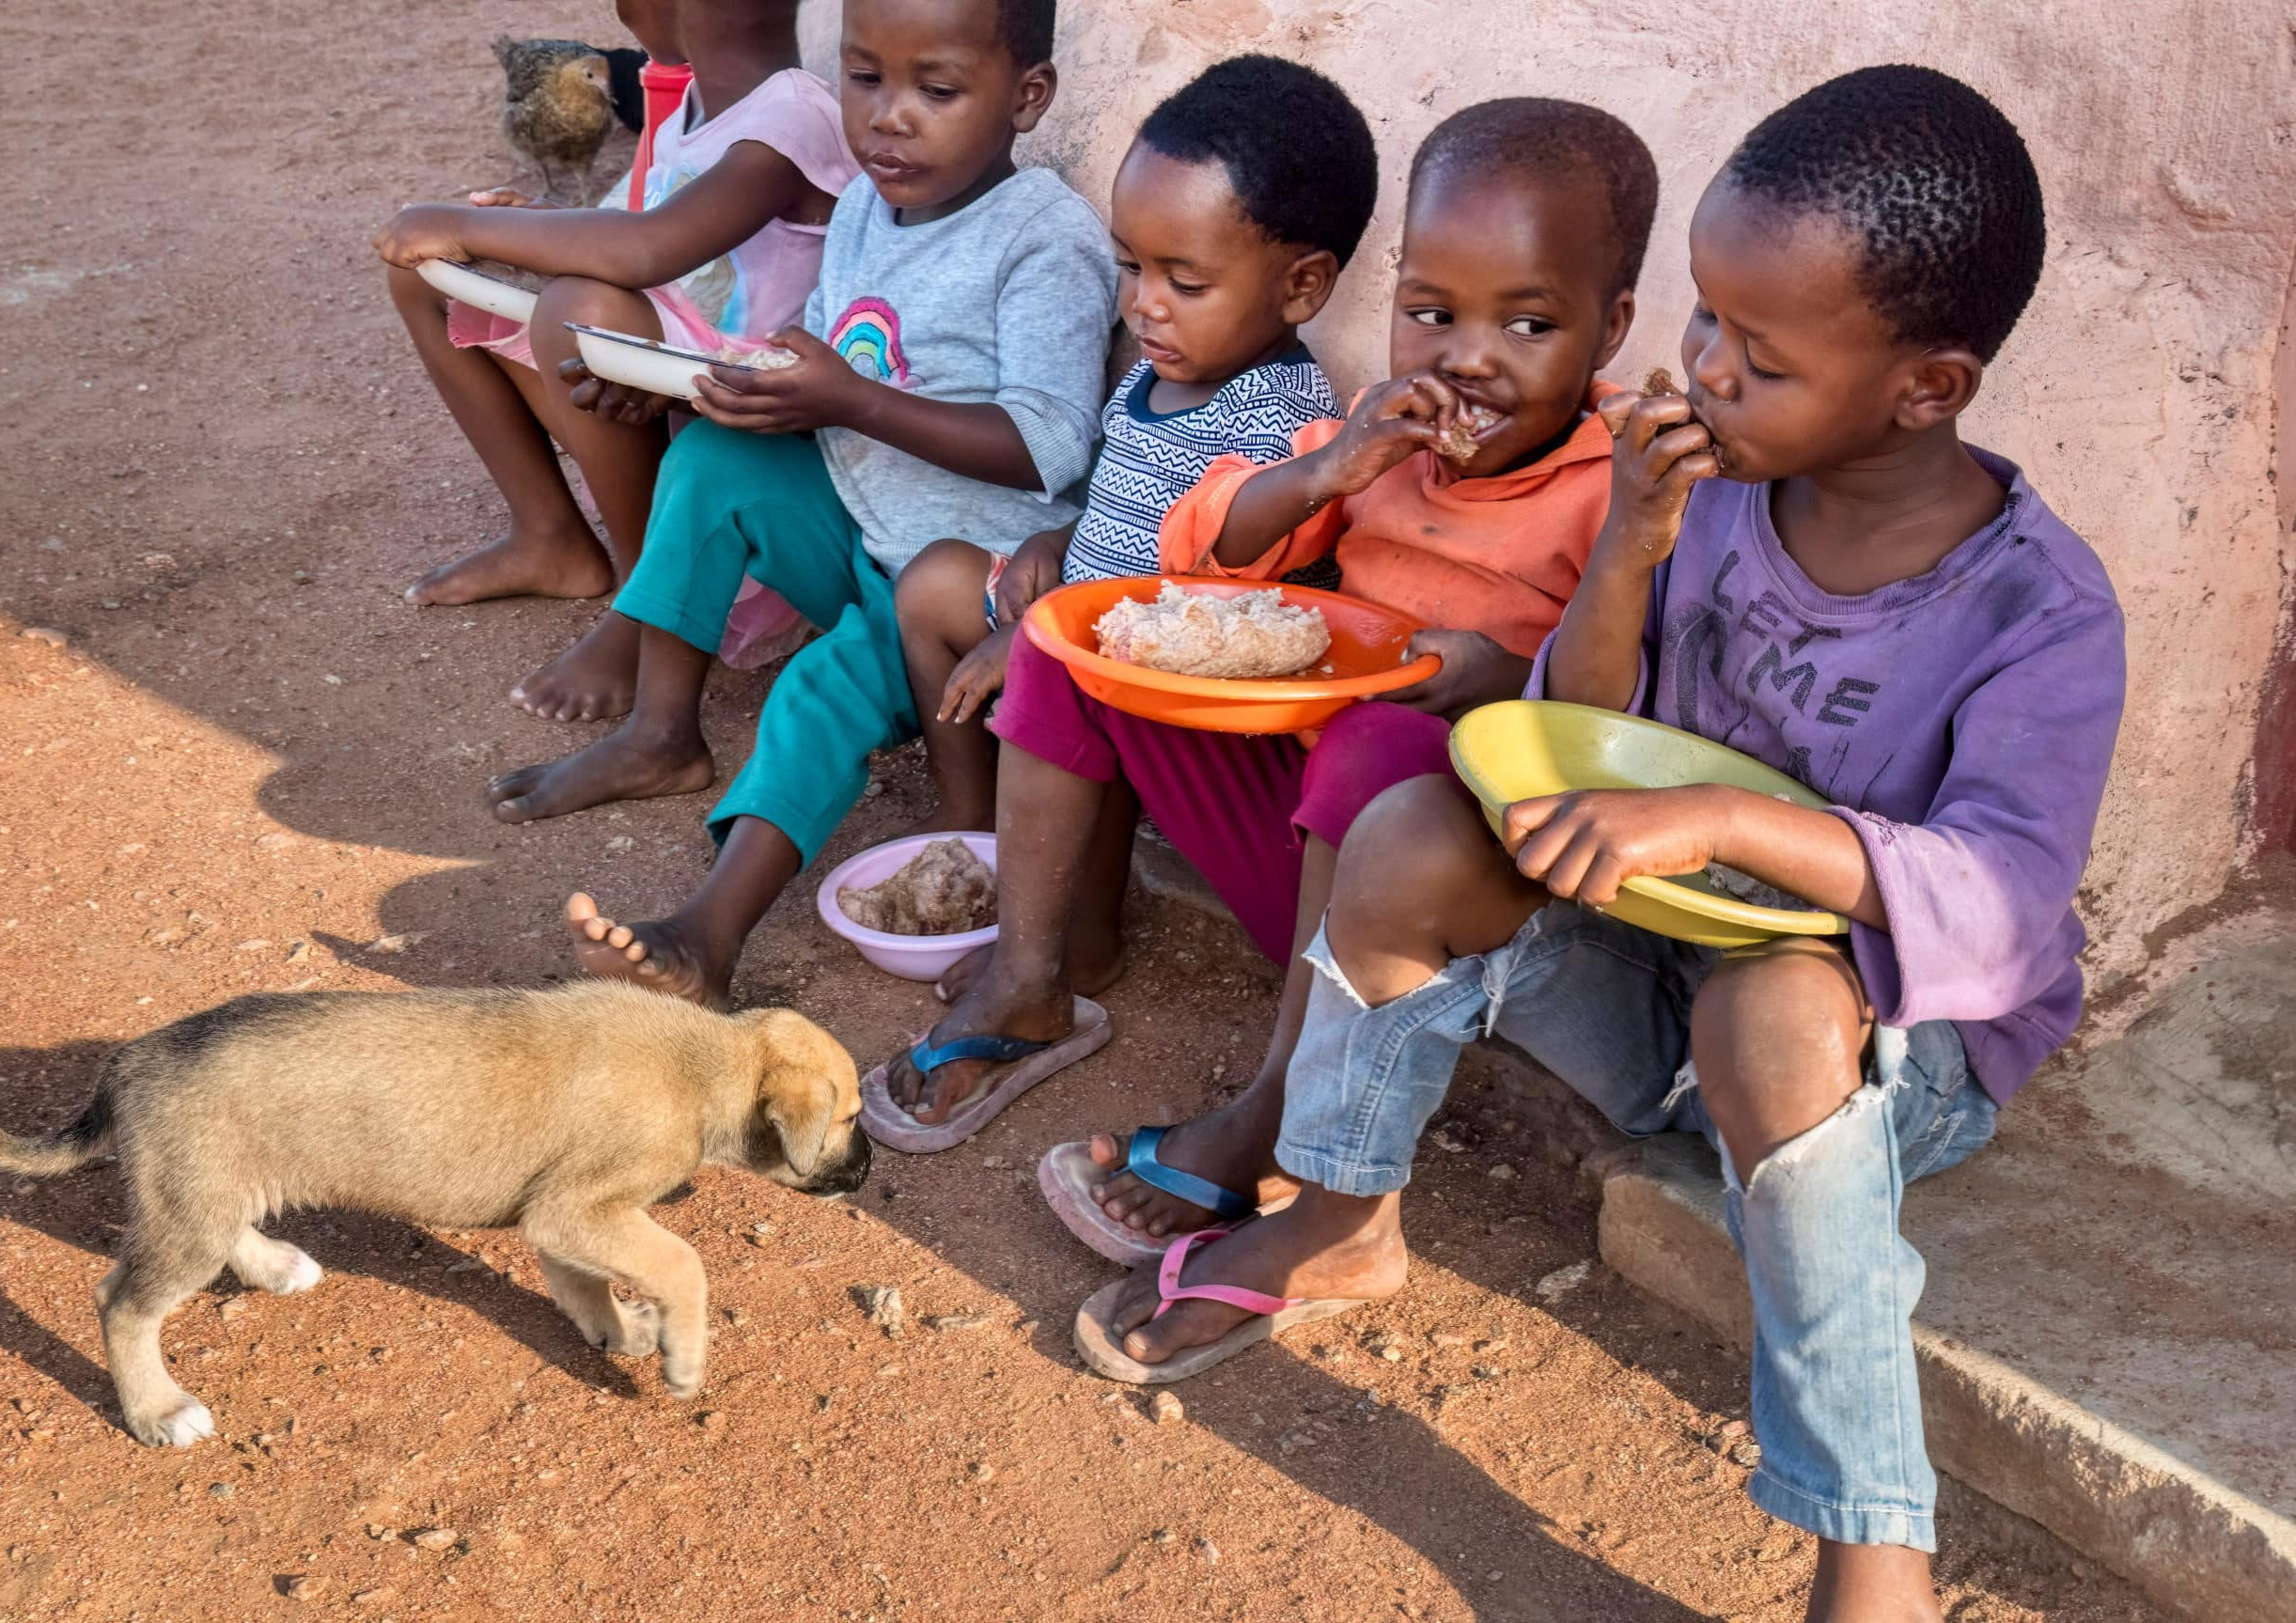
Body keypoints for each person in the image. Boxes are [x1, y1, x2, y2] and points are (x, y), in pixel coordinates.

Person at [1078, 67, 2123, 1623]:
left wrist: (1725, 818)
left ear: (1929, 384)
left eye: (1753, 355)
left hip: (1875, 1051)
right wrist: (1626, 551)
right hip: (1655, 966)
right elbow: (1579, 723)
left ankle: (1871, 1547)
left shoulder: (2040, 609)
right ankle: (1338, 1211)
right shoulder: (1709, 492)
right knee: (1418, 817)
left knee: (1775, 1000)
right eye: (1702, 321)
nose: (1699, 369)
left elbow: (2010, 903)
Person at [867, 100, 1658, 1169]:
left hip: (1443, 897)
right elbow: (1203, 541)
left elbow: (1622, 713)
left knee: (1377, 743)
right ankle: (1032, 973)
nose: (1467, 360)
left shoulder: (1621, 495)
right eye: (1429, 312)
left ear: (1609, 330)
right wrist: (1331, 469)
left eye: (1526, 325)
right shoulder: (1382, 433)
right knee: (1074, 631)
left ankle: (1286, 1100)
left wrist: (1499, 673)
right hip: (1290, 842)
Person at [526, 0, 1115, 1010]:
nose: (889, 117)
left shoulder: (1042, 241)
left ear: (1027, 98)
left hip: (963, 591)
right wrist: (713, 388)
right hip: (858, 521)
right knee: (712, 457)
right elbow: (839, 376)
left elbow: (1050, 447)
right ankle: (664, 730)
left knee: (819, 688)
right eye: (863, 77)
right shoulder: (864, 209)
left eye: (934, 90)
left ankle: (707, 933)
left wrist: (851, 398)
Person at [892, 53, 1374, 844]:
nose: (1144, 306)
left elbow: (1207, 595)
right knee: (932, 584)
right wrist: (1057, 542)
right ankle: (973, 818)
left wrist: (1041, 631)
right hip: (1078, 616)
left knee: (1068, 688)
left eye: (1184, 283)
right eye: (1130, 266)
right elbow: (1122, 505)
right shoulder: (1155, 373)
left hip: (1163, 675)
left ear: (1300, 287)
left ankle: (1081, 934)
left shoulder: (1278, 414)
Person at [375, 0, 857, 723]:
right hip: (657, 401)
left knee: (581, 308)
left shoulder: (791, 122)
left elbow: (645, 251)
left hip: (740, 453)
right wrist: (521, 227)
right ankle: (550, 536)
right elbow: (642, 229)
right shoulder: (702, 101)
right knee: (425, 275)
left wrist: (468, 224)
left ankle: (647, 601)